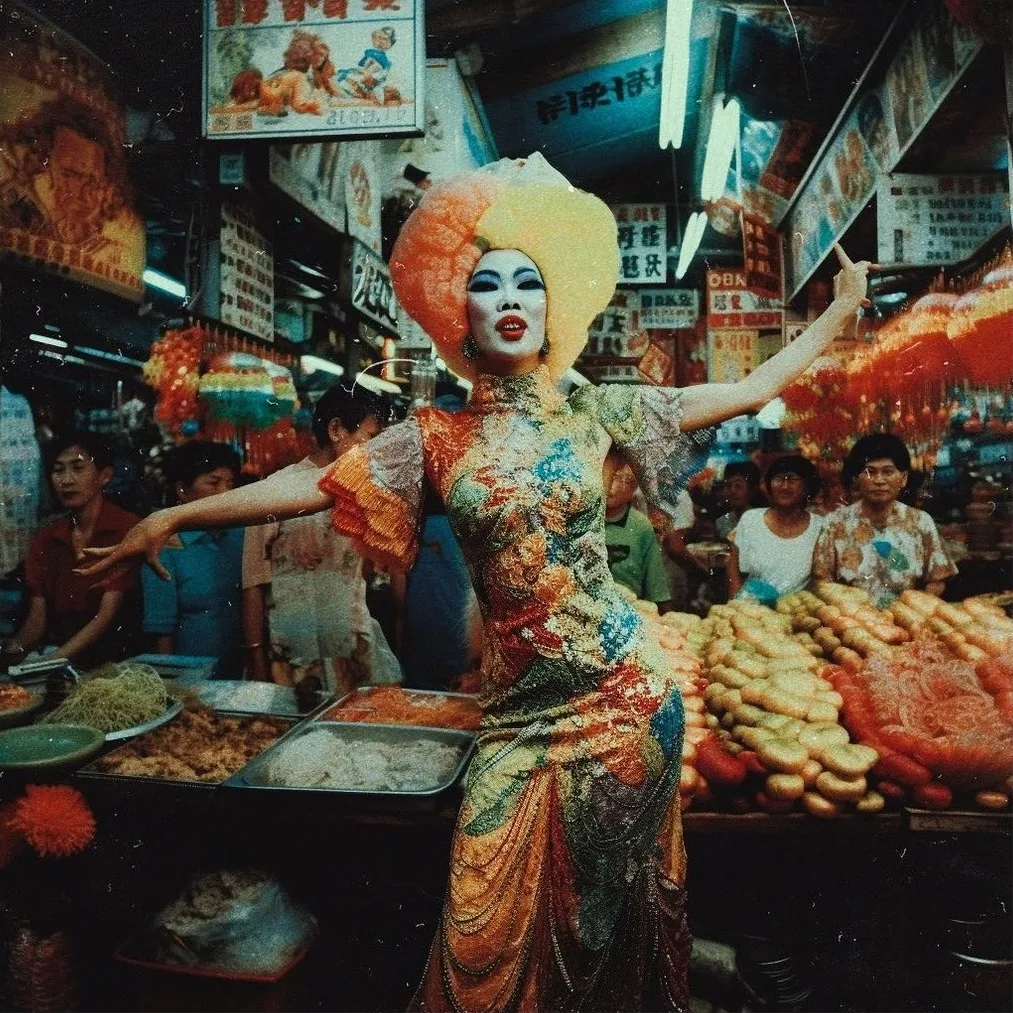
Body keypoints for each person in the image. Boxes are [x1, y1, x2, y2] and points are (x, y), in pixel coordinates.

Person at [80, 153, 873, 1012]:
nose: (506, 299)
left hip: (625, 706)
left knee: (611, 925)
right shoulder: (434, 436)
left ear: (549, 308)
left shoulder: (597, 411)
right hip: (516, 721)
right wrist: (172, 517)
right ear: (459, 311)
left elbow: (751, 385)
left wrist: (837, 311)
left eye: (525, 285)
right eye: (485, 284)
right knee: (480, 930)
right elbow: (310, 482)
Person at [241, 383, 399, 694]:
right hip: (292, 660)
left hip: (352, 651)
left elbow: (364, 572)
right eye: (370, 439)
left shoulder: (365, 492)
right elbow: (252, 584)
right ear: (336, 429)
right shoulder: (277, 491)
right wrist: (257, 663)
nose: (377, 453)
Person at [1, 433, 139, 670]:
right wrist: (11, 653)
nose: (66, 480)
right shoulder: (47, 536)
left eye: (78, 468)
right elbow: (37, 620)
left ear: (104, 476)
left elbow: (105, 617)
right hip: (61, 661)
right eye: (58, 470)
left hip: (117, 662)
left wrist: (42, 666)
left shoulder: (127, 529)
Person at [812, 433, 956, 608]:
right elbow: (822, 583)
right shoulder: (834, 523)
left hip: (909, 622)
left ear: (903, 479)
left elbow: (937, 580)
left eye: (888, 472)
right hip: (853, 625)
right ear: (857, 479)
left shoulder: (920, 522)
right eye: (870, 472)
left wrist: (914, 612)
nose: (879, 480)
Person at [141, 441, 244, 675]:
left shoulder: (242, 535)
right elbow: (161, 631)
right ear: (182, 491)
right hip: (190, 680)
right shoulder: (166, 546)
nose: (225, 493)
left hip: (240, 675)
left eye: (230, 483)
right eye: (213, 483)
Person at [726, 454, 824, 603]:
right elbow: (732, 562)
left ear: (806, 487)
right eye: (778, 479)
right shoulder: (751, 519)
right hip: (750, 610)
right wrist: (734, 599)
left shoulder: (820, 526)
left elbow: (822, 578)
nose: (784, 486)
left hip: (796, 612)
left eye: (792, 479)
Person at [604, 457, 672, 611]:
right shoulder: (581, 518)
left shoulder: (641, 526)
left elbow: (657, 590)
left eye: (626, 480)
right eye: (612, 477)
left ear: (635, 488)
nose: (614, 487)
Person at [714, 460, 763, 540]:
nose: (732, 491)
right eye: (729, 486)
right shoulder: (721, 522)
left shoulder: (762, 521)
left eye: (738, 486)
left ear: (752, 490)